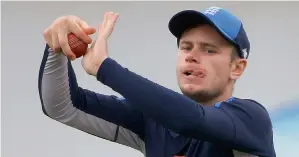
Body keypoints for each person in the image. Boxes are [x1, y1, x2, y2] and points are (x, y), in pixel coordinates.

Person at [38, 6, 276, 157]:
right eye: (186, 47)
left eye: (209, 50)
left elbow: (191, 121)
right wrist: (57, 47)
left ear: (237, 68)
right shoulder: (152, 122)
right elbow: (62, 106)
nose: (192, 55)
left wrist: (105, 68)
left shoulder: (251, 119)